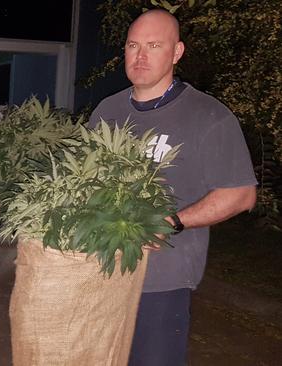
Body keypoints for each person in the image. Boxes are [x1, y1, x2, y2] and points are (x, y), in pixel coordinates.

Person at [88, 9, 257, 366]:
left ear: (177, 52)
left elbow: (241, 194)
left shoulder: (207, 115)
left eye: (153, 45)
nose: (141, 56)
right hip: (101, 273)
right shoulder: (107, 110)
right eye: (133, 46)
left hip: (161, 281)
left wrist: (172, 221)